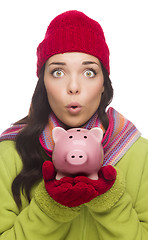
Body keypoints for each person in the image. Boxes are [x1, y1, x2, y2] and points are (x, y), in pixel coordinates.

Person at [0, 10, 148, 240]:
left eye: (89, 72)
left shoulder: (140, 153)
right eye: (58, 72)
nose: (73, 86)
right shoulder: (9, 154)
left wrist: (109, 199)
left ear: (103, 84)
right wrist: (51, 206)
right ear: (43, 83)